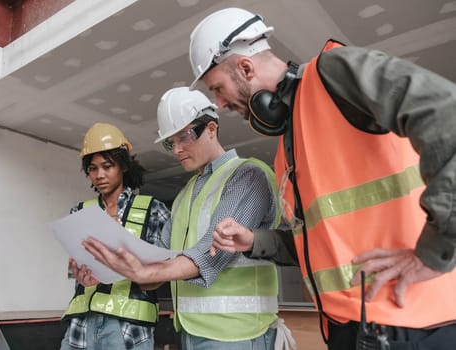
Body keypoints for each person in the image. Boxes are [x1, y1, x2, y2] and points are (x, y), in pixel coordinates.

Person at [188, 7, 456, 350]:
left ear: (245, 67)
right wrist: (254, 241)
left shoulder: (332, 74)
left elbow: (445, 117)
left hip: (409, 322)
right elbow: (320, 244)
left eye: (218, 89)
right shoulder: (289, 145)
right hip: (353, 329)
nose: (221, 104)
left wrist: (432, 253)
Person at [84, 87, 296, 350]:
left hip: (237, 333)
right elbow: (156, 266)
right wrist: (109, 264)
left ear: (211, 128)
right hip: (188, 332)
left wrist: (145, 269)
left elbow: (209, 254)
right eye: (171, 142)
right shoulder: (184, 196)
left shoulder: (247, 175)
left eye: (184, 137)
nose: (177, 150)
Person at [60, 122, 171, 350]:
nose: (99, 175)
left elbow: (165, 271)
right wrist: (77, 273)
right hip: (81, 327)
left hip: (127, 330)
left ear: (123, 166)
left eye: (107, 166)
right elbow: (73, 269)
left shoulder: (153, 210)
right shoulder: (80, 212)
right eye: (93, 168)